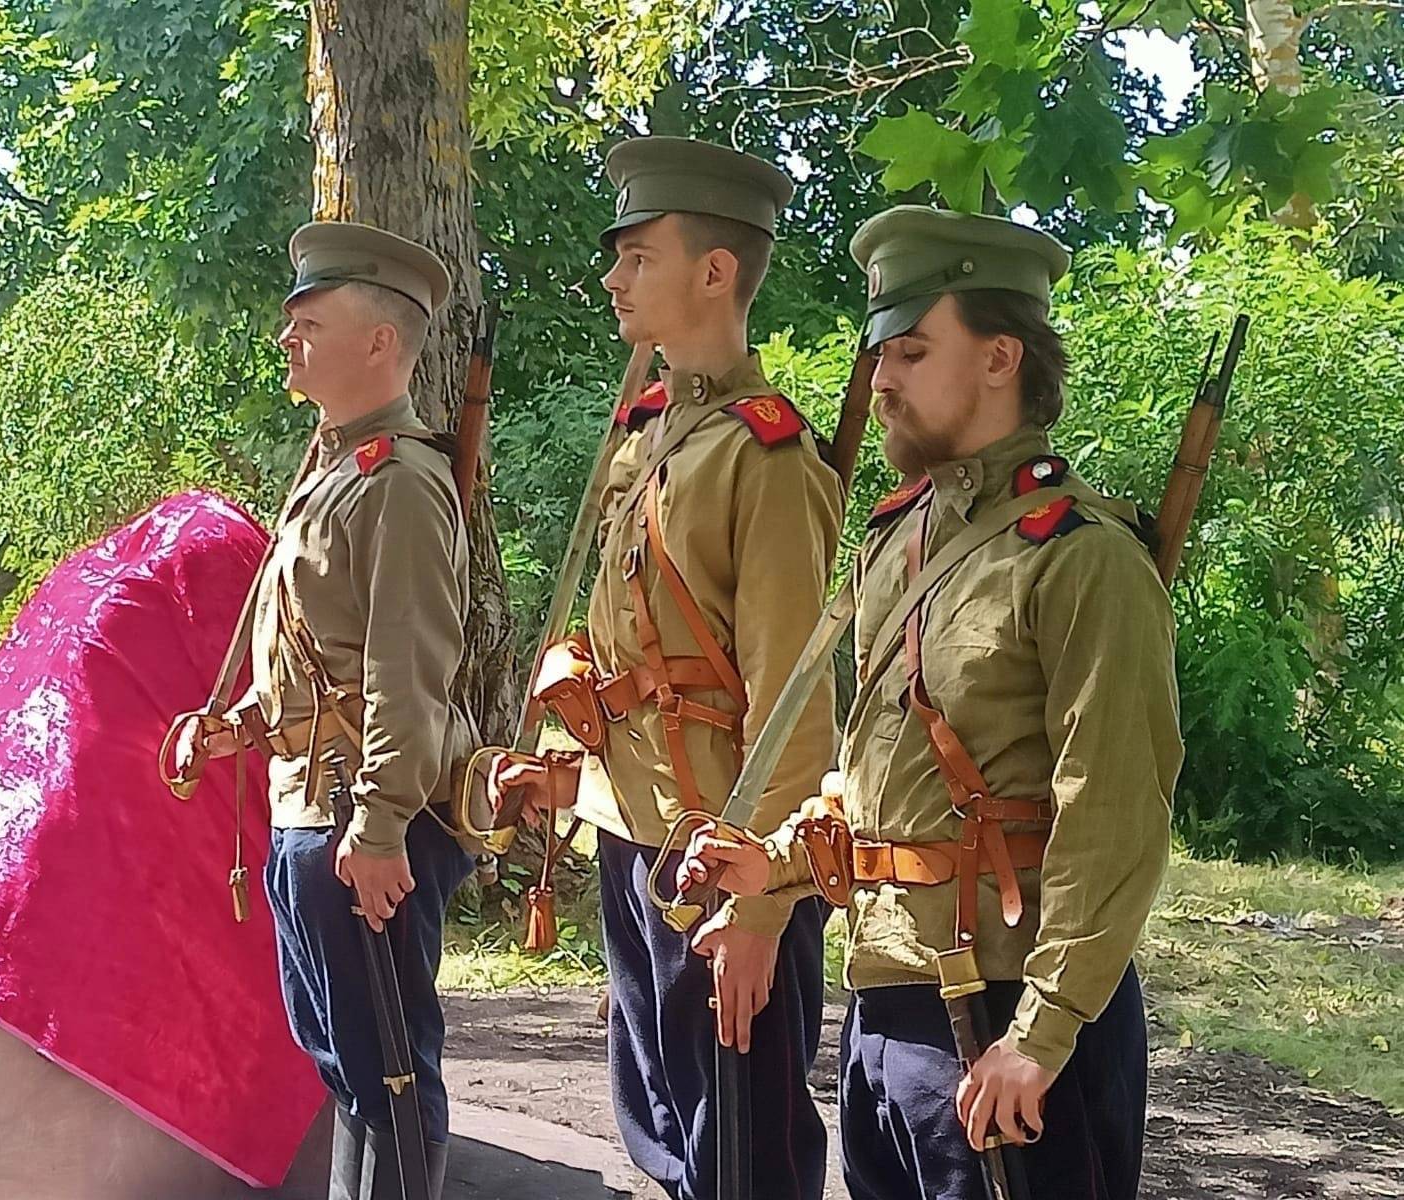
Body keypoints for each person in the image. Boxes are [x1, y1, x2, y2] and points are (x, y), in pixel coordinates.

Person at [678, 206, 1183, 1200]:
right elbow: (879, 776)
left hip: (1006, 1013)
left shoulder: (1081, 558)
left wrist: (1042, 1031)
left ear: (1000, 357)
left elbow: (1113, 811)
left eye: (911, 352)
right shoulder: (899, 542)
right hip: (888, 998)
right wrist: (776, 864)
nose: (882, 380)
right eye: (881, 354)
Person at [492, 137, 844, 1200]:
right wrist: (565, 758)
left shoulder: (764, 457)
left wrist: (764, 904)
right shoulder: (650, 438)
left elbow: (794, 704)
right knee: (663, 1128)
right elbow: (621, 647)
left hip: (719, 858)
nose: (612, 277)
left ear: (715, 271)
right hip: (634, 830)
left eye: (638, 256)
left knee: (744, 1152)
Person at [177, 221, 476, 1200]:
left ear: (380, 342)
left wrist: (382, 823)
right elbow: (317, 653)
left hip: (361, 821)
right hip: (312, 808)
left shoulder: (402, 483)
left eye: (309, 321)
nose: (286, 337)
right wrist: (244, 721)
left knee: (389, 1077)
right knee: (347, 1070)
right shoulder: (334, 473)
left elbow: (407, 670)